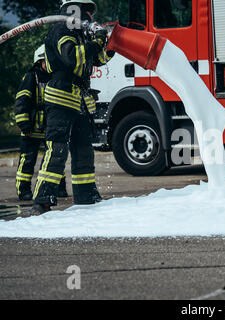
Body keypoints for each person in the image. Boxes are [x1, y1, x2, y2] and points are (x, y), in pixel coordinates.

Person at [31, 0, 114, 215]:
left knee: (84, 151)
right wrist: (95, 42)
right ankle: (43, 199)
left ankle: (86, 196)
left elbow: (96, 59)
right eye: (87, 12)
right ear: (72, 9)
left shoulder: (81, 34)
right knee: (58, 149)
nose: (90, 17)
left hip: (79, 100)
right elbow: (71, 56)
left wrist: (109, 45)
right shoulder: (61, 28)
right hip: (60, 97)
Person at [14, 44, 68, 201]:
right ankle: (23, 191)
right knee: (27, 160)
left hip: (50, 128)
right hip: (31, 129)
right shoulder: (31, 77)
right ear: (40, 61)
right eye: (48, 60)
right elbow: (22, 101)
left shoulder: (54, 77)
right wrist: (24, 124)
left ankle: (59, 188)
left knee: (55, 157)